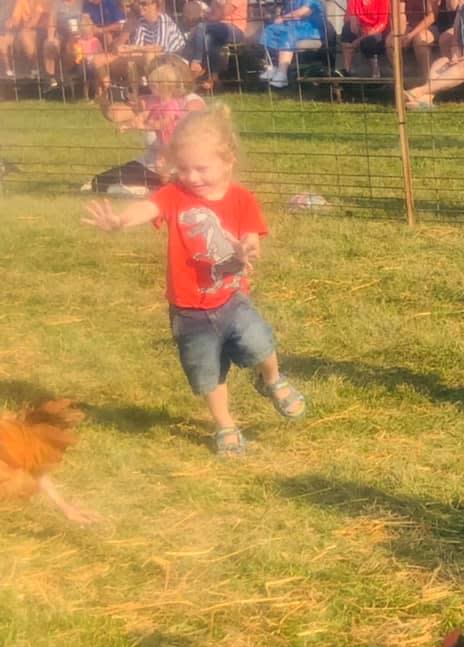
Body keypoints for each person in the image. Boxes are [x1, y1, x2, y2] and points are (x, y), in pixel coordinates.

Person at [83, 106, 307, 457]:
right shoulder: (175, 195)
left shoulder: (241, 199)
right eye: (184, 168)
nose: (192, 176)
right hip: (189, 311)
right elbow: (149, 208)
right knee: (207, 375)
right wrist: (121, 222)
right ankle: (225, 426)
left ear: (227, 162)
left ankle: (272, 380)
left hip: (232, 299)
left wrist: (248, 247)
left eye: (201, 168)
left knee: (260, 343)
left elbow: (252, 235)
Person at [84, 57, 203, 193]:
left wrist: (150, 125)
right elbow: (115, 115)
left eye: (154, 81)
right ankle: (147, 189)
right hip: (148, 165)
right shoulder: (153, 100)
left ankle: (155, 190)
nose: (150, 85)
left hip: (178, 167)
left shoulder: (192, 103)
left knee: (181, 187)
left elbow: (191, 137)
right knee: (100, 182)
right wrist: (104, 100)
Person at [385, 0, 463, 80]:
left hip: (433, 26)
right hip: (410, 26)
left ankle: (428, 78)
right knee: (391, 40)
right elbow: (401, 14)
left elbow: (432, 16)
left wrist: (411, 35)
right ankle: (403, 78)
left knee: (419, 40)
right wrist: (400, 34)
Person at [181, 0, 248, 90]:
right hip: (216, 28)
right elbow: (213, 12)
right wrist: (208, 15)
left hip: (234, 29)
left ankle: (197, 62)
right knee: (208, 39)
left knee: (201, 27)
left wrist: (208, 17)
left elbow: (224, 12)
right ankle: (213, 78)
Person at [258, 0, 326, 88]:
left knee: (288, 34)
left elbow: (303, 13)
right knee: (269, 30)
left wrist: (283, 18)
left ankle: (282, 73)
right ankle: (273, 66)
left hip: (310, 30)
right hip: (292, 26)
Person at [338, 0, 389, 76]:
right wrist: (352, 18)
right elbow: (347, 18)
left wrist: (360, 39)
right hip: (360, 27)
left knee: (368, 41)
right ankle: (347, 70)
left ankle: (376, 72)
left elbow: (382, 23)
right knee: (346, 30)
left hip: (376, 30)